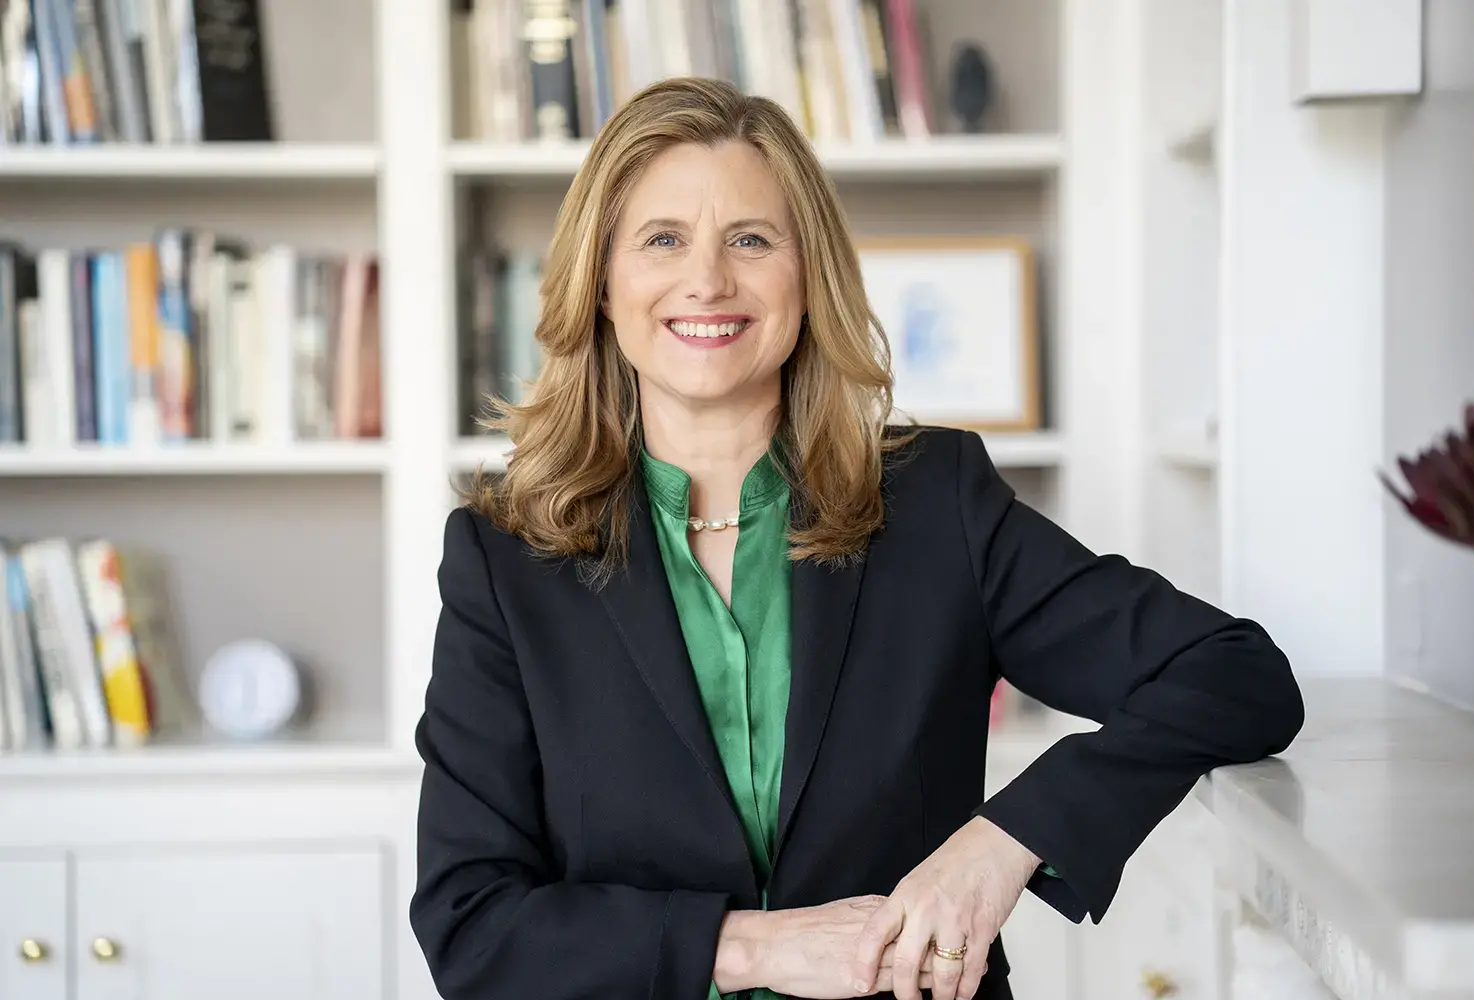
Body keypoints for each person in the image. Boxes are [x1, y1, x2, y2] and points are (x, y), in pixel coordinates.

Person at [408, 76, 1304, 1000]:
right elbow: (471, 925)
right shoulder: (502, 558)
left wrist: (1001, 842)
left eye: (750, 240)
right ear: (601, 282)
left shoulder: (936, 504)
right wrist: (751, 947)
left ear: (809, 277)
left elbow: (1236, 675)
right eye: (662, 240)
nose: (707, 280)